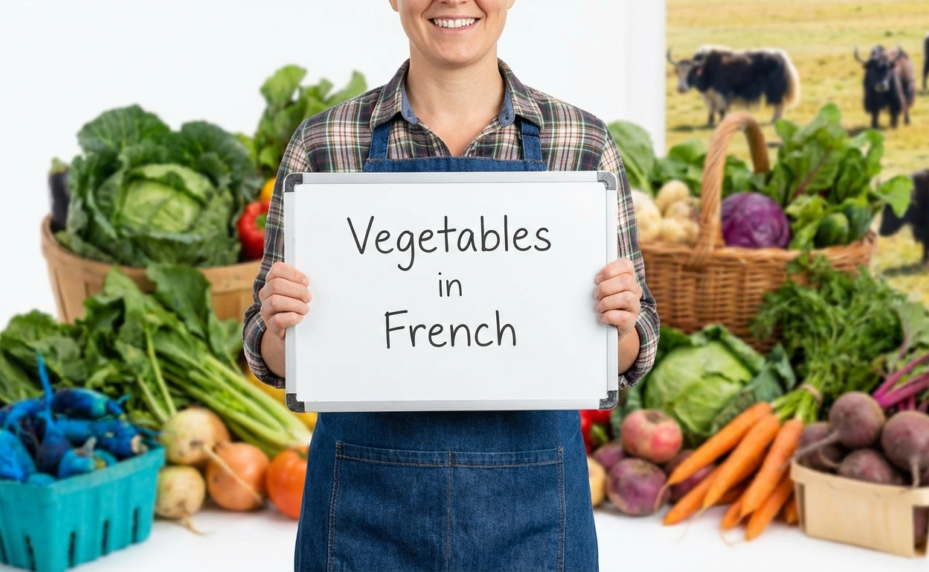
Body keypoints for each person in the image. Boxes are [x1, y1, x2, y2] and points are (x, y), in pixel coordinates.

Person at [243, 1, 660, 570]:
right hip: (362, 513)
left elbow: (628, 352)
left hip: (536, 512)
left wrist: (620, 318)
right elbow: (274, 359)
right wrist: (279, 322)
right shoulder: (324, 144)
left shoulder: (581, 143)